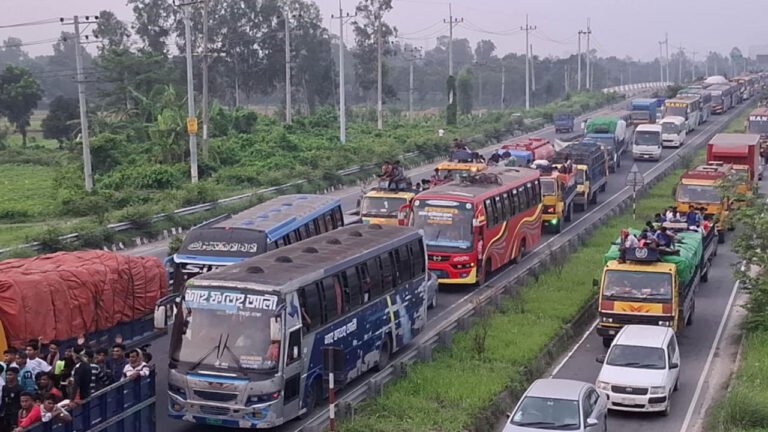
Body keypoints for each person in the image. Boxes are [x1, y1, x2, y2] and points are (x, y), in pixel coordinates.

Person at [2, 367, 23, 432]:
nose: (8, 376)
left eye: (10, 375)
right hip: (5, 414)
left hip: (15, 414)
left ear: (15, 375)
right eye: (7, 375)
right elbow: (3, 401)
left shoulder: (19, 388)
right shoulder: (4, 387)